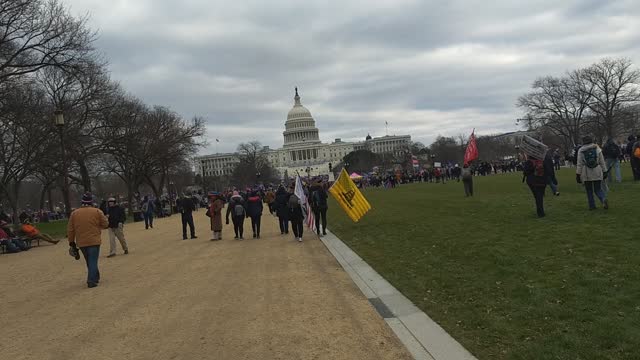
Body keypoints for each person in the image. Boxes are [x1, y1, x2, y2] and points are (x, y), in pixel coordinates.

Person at [67, 193, 109, 288]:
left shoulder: (74, 213)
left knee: (89, 261)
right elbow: (106, 224)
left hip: (81, 241)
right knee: (93, 260)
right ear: (91, 202)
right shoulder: (97, 211)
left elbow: (70, 229)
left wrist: (71, 242)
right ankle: (91, 280)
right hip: (94, 240)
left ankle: (95, 277)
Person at [576, 136, 609, 210]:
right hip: (597, 170)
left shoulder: (581, 150)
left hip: (586, 172)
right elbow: (602, 161)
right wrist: (605, 171)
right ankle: (603, 199)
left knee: (589, 190)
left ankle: (592, 206)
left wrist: (578, 174)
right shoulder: (597, 148)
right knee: (598, 189)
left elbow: (579, 164)